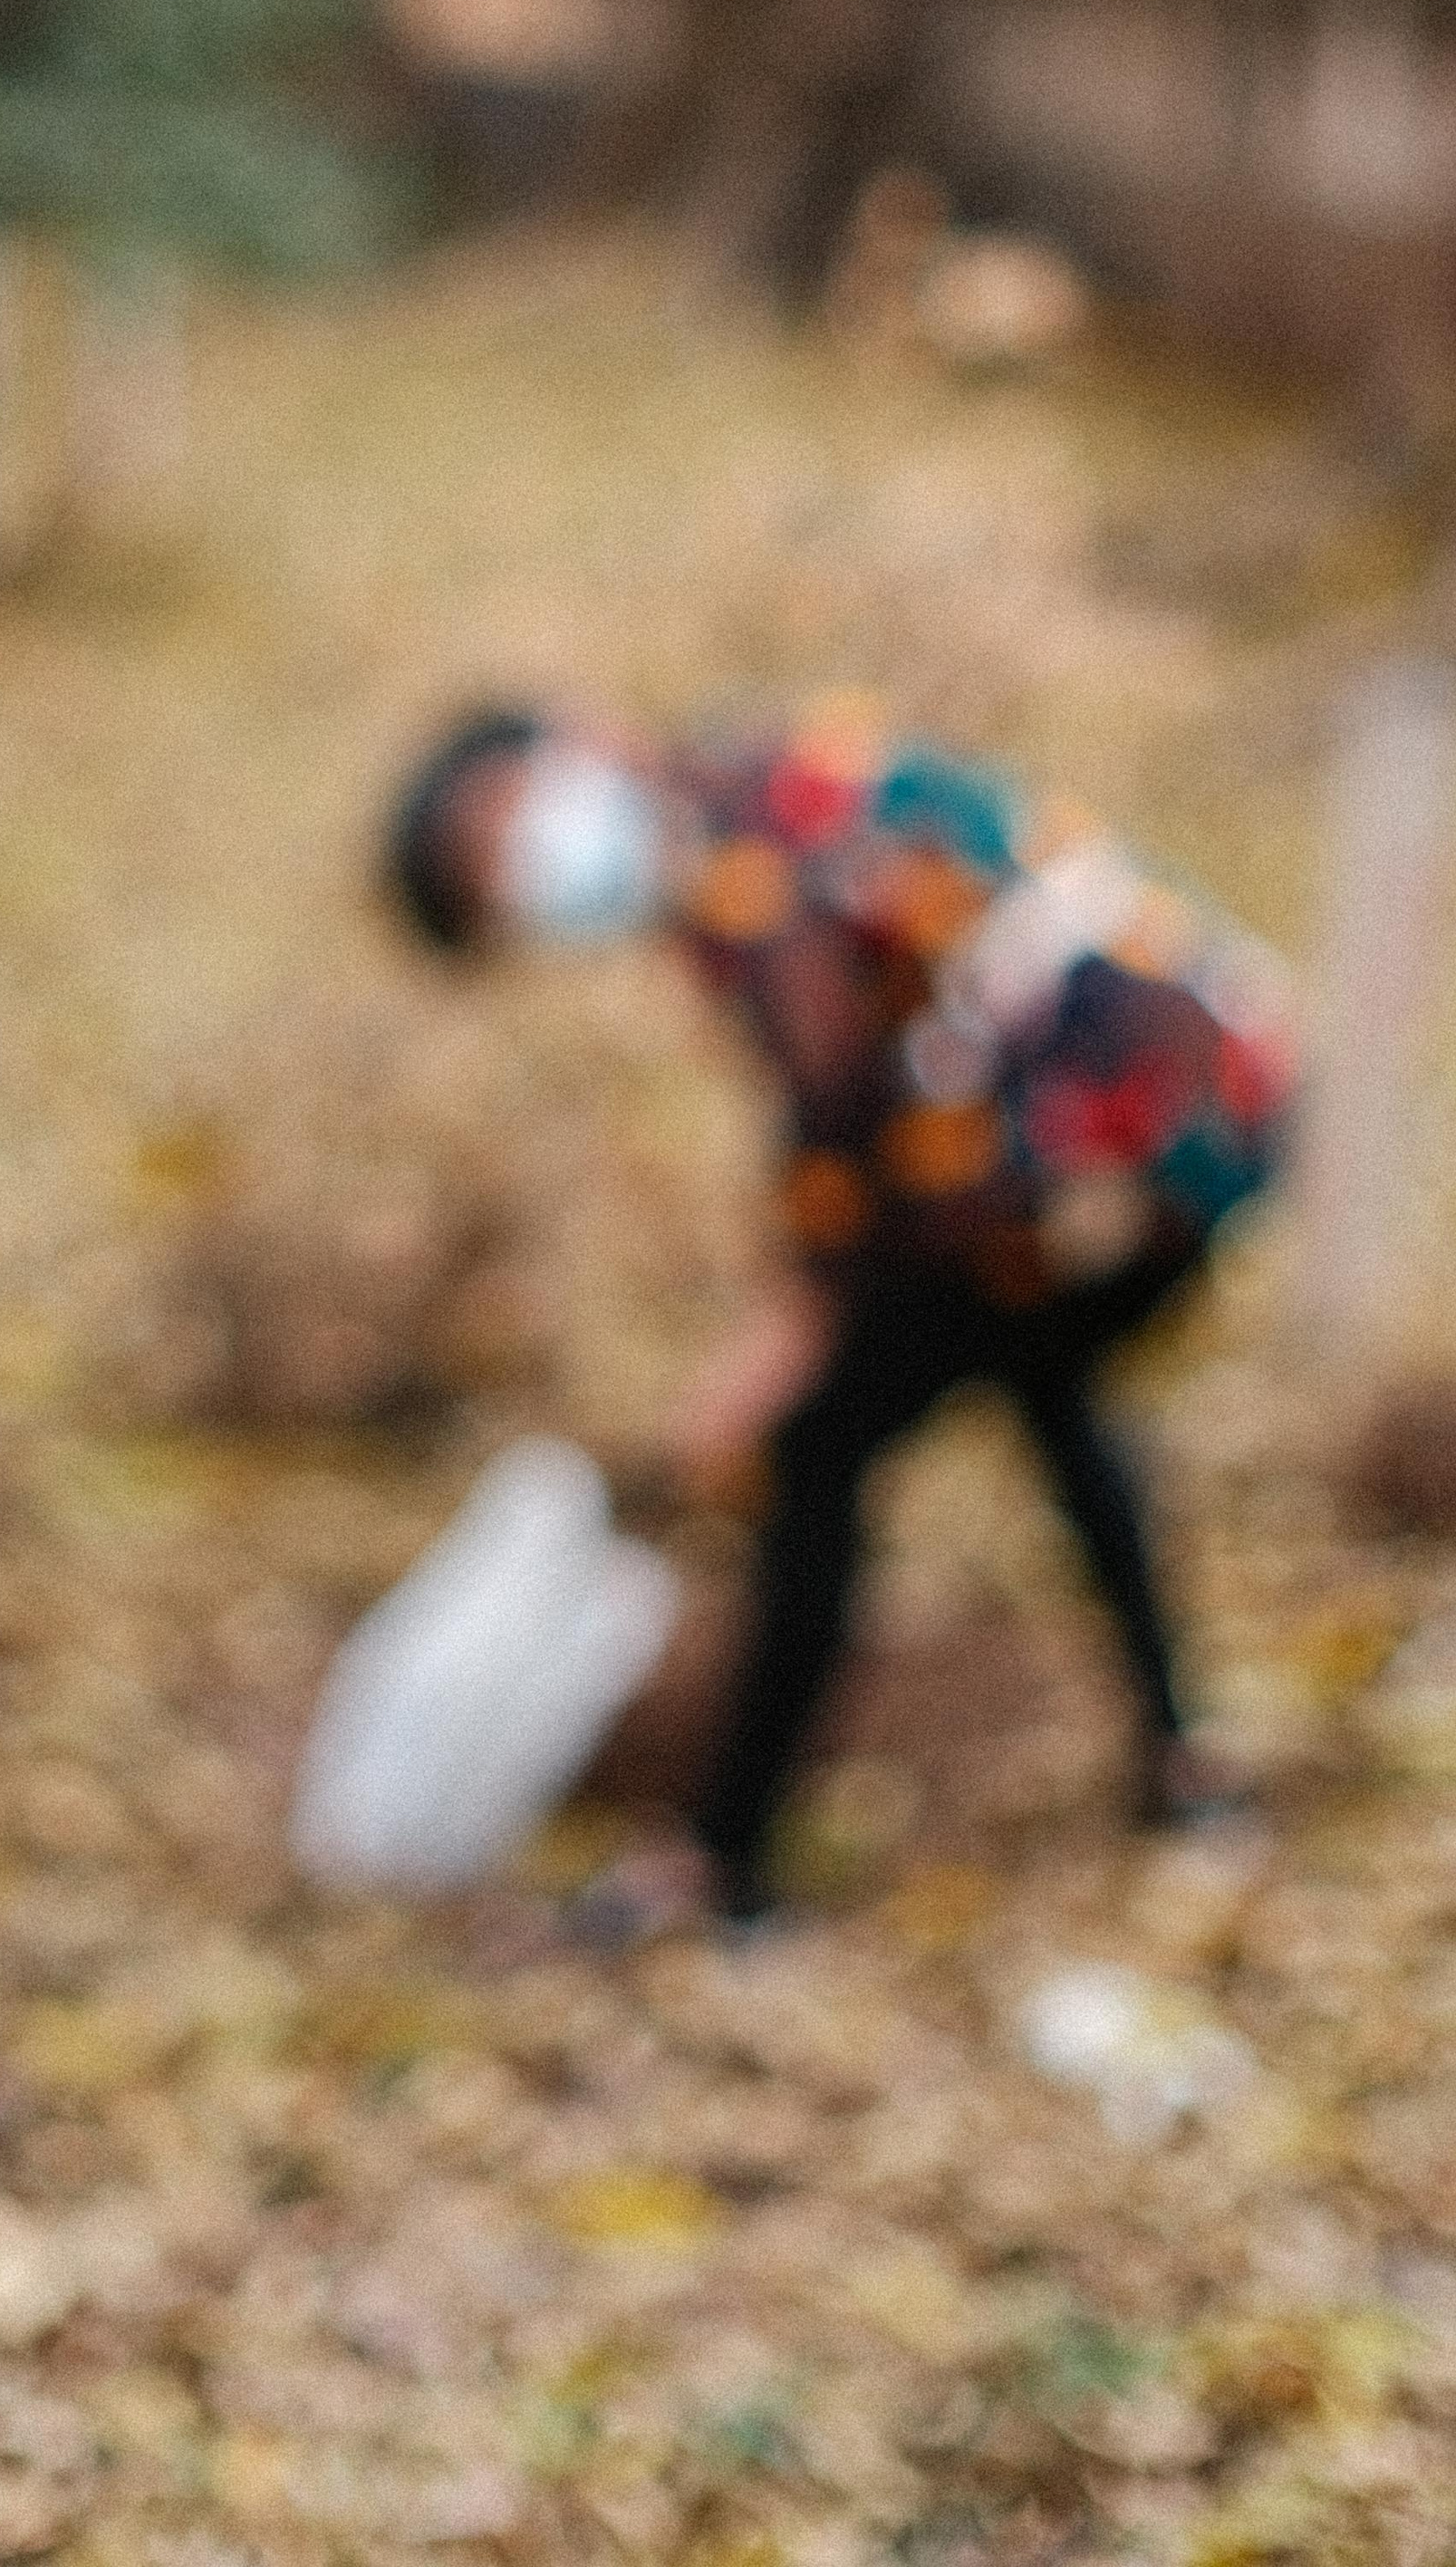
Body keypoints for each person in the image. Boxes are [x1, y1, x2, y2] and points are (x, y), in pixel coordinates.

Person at [381, 692, 1294, 1935]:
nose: (531, 872)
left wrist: (786, 1335)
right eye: (496, 889)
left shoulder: (746, 863)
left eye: (503, 831)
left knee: (818, 1449)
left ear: (577, 738)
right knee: (1044, 1389)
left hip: (1129, 1145)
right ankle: (1189, 1764)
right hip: (1180, 1116)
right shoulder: (759, 800)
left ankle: (722, 1857)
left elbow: (847, 1116)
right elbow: (886, 1090)